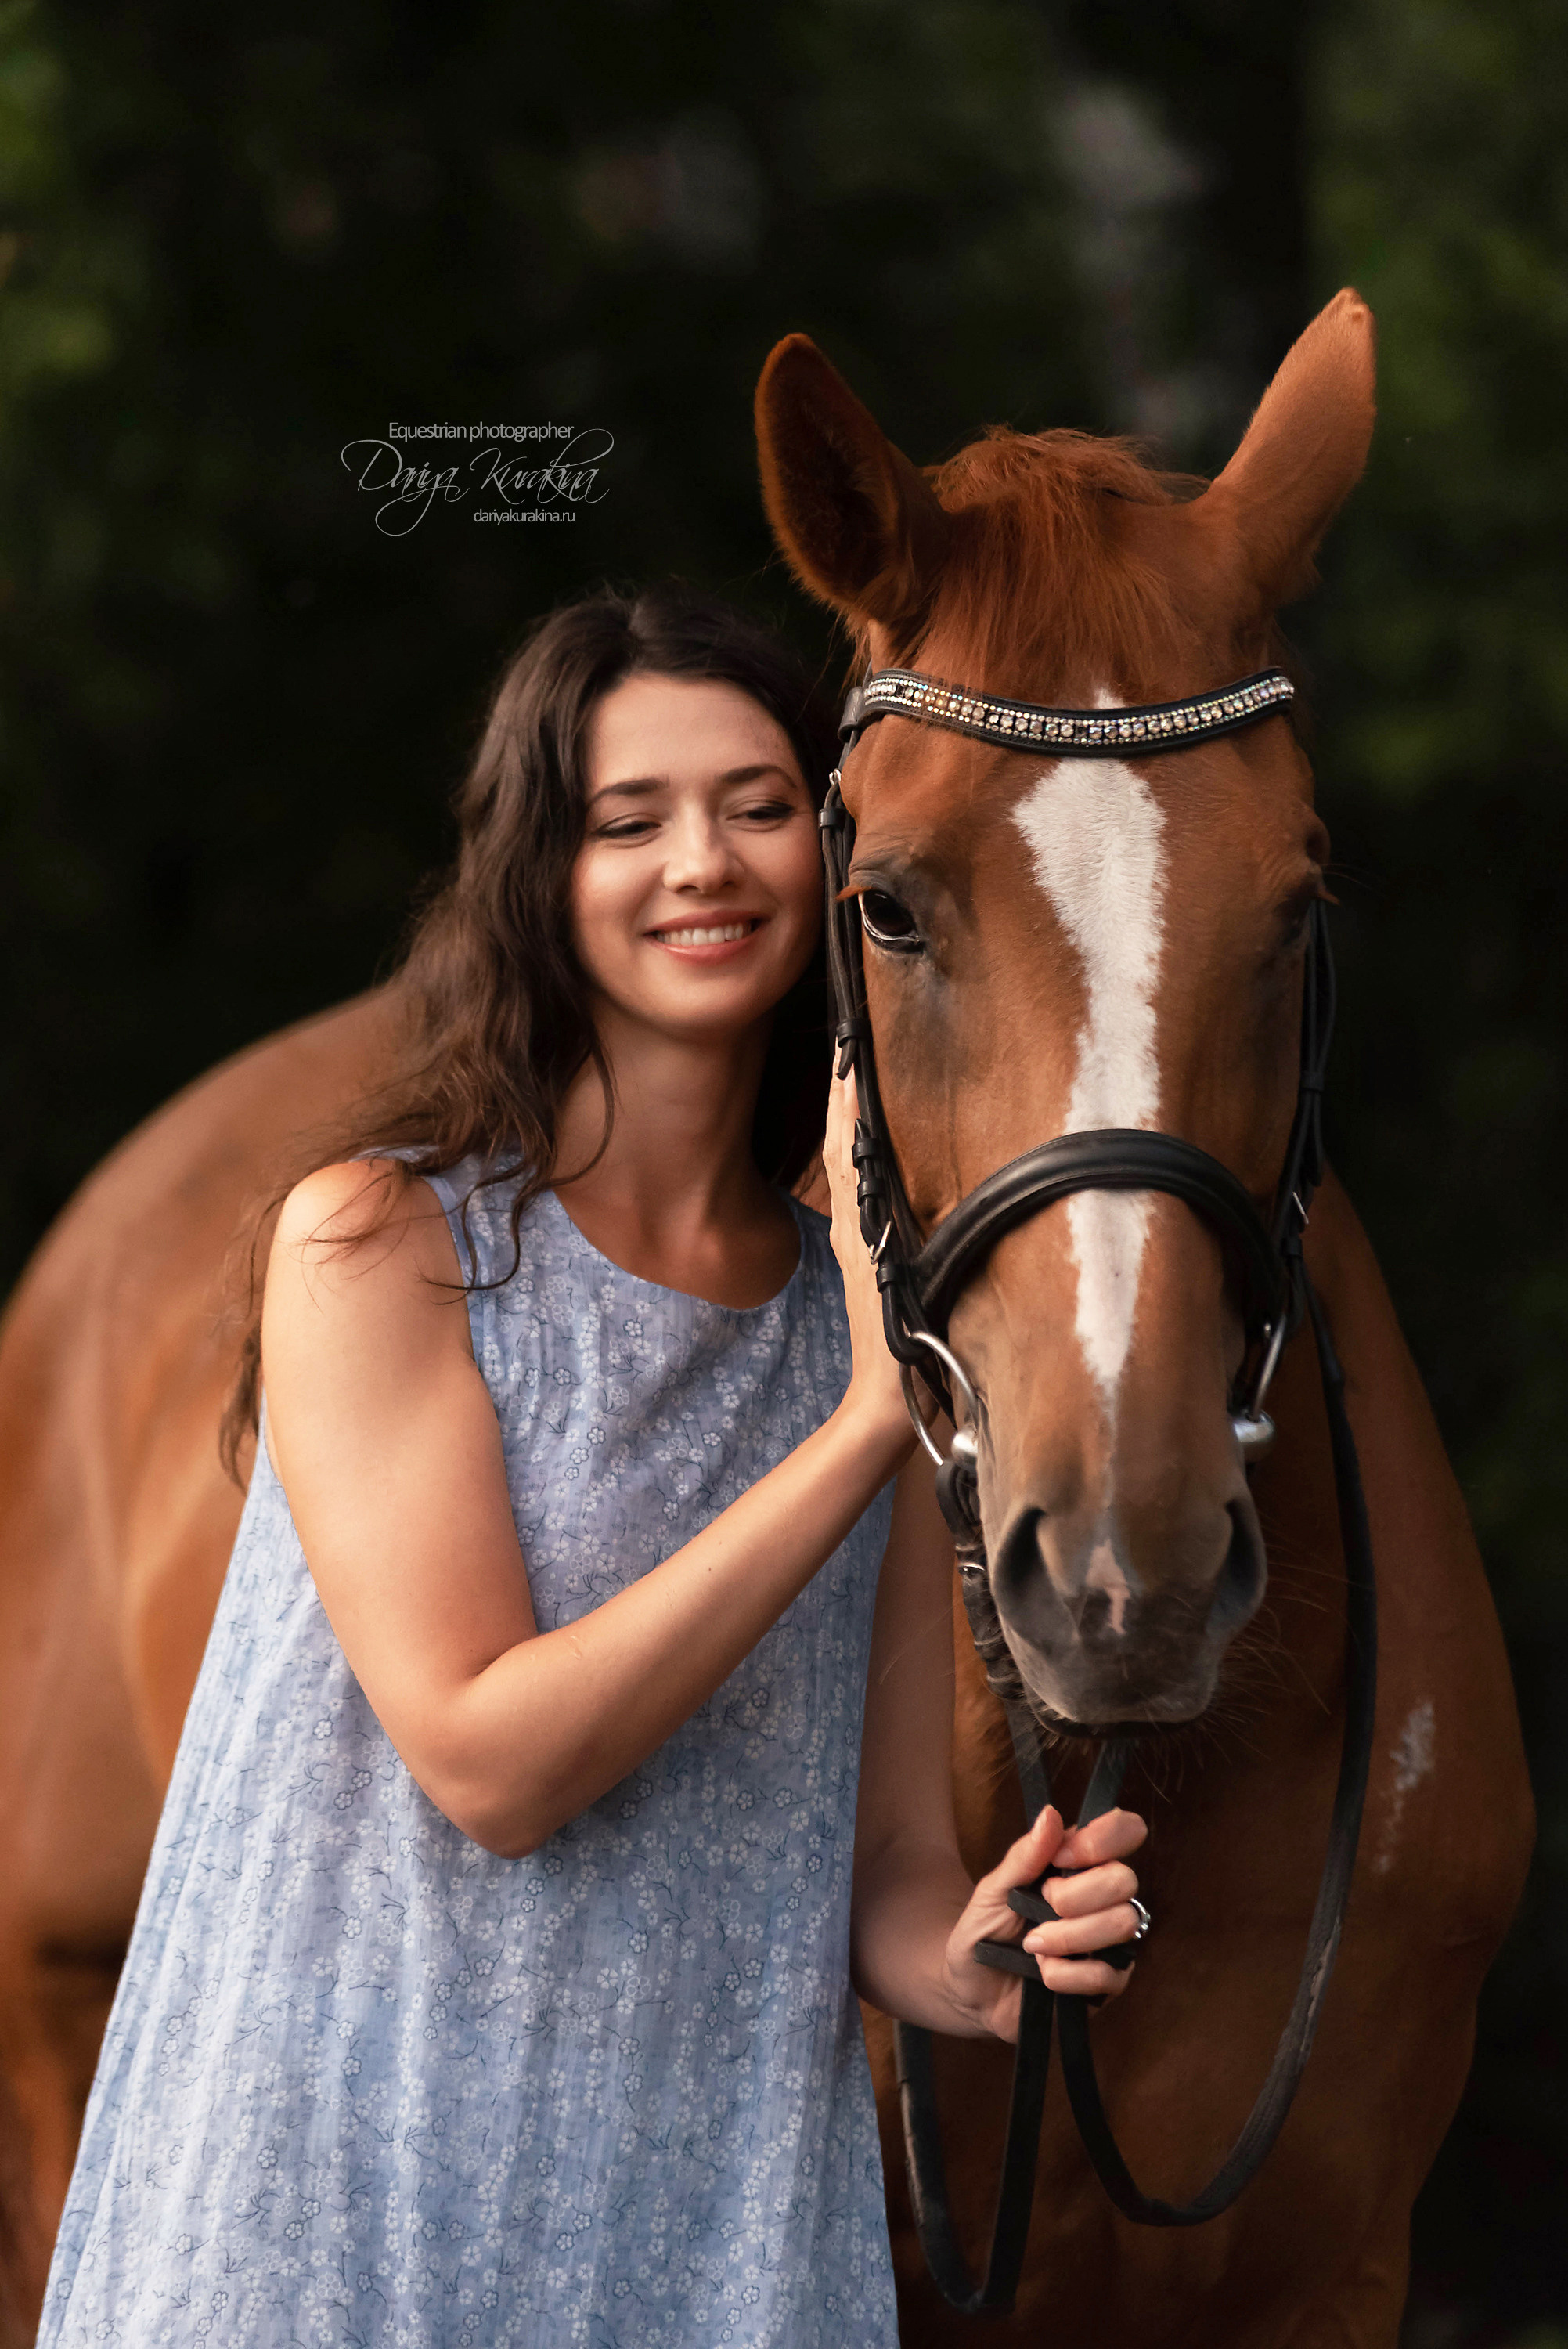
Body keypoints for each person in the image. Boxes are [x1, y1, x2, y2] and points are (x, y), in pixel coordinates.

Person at [39, 586, 1146, 2348]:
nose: (701, 860)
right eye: (629, 820)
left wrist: (984, 1954)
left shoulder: (846, 1337)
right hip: (342, 2216)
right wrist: (872, 1426)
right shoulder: (381, 1249)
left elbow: (879, 1873)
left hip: (705, 2232)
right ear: (539, 877)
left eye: (759, 804)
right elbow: (489, 1761)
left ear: (836, 854)